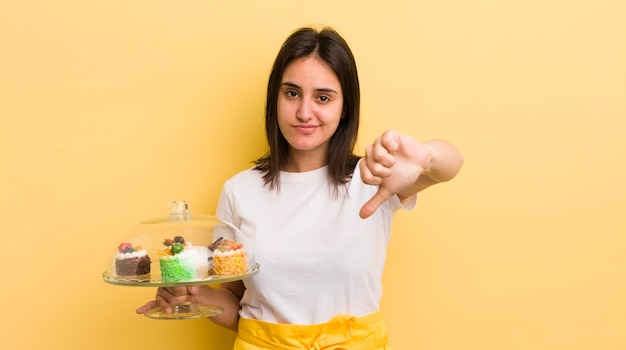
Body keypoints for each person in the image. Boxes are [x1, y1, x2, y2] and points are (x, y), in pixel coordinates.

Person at [136, 26, 463, 349]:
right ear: (275, 98)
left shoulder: (375, 177)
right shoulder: (239, 191)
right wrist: (194, 296)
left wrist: (425, 157)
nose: (304, 112)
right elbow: (240, 304)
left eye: (323, 97)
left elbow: (452, 164)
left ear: (344, 106)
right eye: (292, 93)